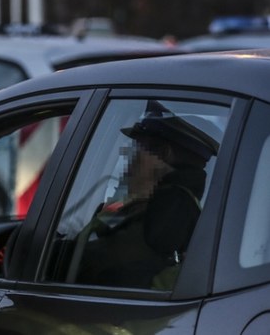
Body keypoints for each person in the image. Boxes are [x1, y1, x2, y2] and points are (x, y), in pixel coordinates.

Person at [75, 101, 220, 289]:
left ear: (164, 155)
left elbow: (94, 260)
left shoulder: (168, 215)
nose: (129, 161)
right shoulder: (147, 206)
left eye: (137, 151)